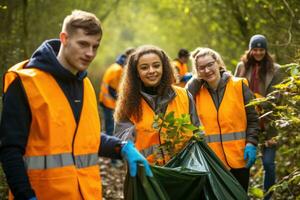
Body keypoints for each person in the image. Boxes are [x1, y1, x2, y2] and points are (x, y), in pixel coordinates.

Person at [0, 10, 152, 200]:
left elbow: (83, 139)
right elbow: (10, 150)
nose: (90, 53)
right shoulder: (24, 83)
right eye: (83, 44)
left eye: (95, 47)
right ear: (64, 38)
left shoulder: (86, 85)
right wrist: (26, 196)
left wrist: (121, 147)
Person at [186, 47, 260, 192]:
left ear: (218, 63)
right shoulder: (196, 93)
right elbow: (182, 101)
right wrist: (194, 82)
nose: (207, 70)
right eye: (201, 68)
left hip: (239, 159)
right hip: (213, 163)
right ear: (197, 72)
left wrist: (251, 143)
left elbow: (253, 119)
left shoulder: (239, 85)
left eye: (210, 64)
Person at [113, 45, 201, 165]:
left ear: (164, 68)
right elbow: (122, 141)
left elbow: (198, 132)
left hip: (184, 171)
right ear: (137, 73)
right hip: (147, 174)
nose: (151, 71)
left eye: (156, 65)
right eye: (144, 67)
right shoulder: (128, 103)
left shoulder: (184, 95)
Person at [234, 34, 285, 199]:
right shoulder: (241, 67)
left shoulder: (275, 70)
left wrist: (256, 101)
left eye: (261, 49)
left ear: (266, 50)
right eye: (255, 49)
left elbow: (276, 100)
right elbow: (234, 93)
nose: (258, 52)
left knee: (269, 164)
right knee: (244, 164)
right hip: (246, 123)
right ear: (250, 50)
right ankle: (242, 195)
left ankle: (267, 197)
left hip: (267, 123)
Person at [98, 48, 135, 137]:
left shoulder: (115, 66)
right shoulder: (118, 69)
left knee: (107, 126)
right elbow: (113, 89)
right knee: (111, 129)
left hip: (105, 101)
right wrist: (121, 102)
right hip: (109, 103)